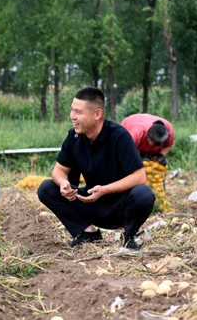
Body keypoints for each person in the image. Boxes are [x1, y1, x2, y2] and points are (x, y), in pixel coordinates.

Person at [37, 87, 155, 250]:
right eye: (72, 110)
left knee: (144, 194)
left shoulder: (119, 136)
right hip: (90, 202)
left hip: (119, 207)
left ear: (97, 114)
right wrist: (64, 183)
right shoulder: (74, 137)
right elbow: (59, 170)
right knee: (47, 188)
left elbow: (139, 177)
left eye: (78, 112)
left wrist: (105, 190)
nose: (72, 116)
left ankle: (128, 237)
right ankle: (87, 233)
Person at [120, 113, 175, 212]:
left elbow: (168, 146)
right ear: (147, 137)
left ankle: (158, 200)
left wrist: (161, 155)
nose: (155, 148)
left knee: (156, 172)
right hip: (130, 135)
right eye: (153, 144)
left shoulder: (169, 130)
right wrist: (137, 159)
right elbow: (124, 150)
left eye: (159, 145)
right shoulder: (137, 133)